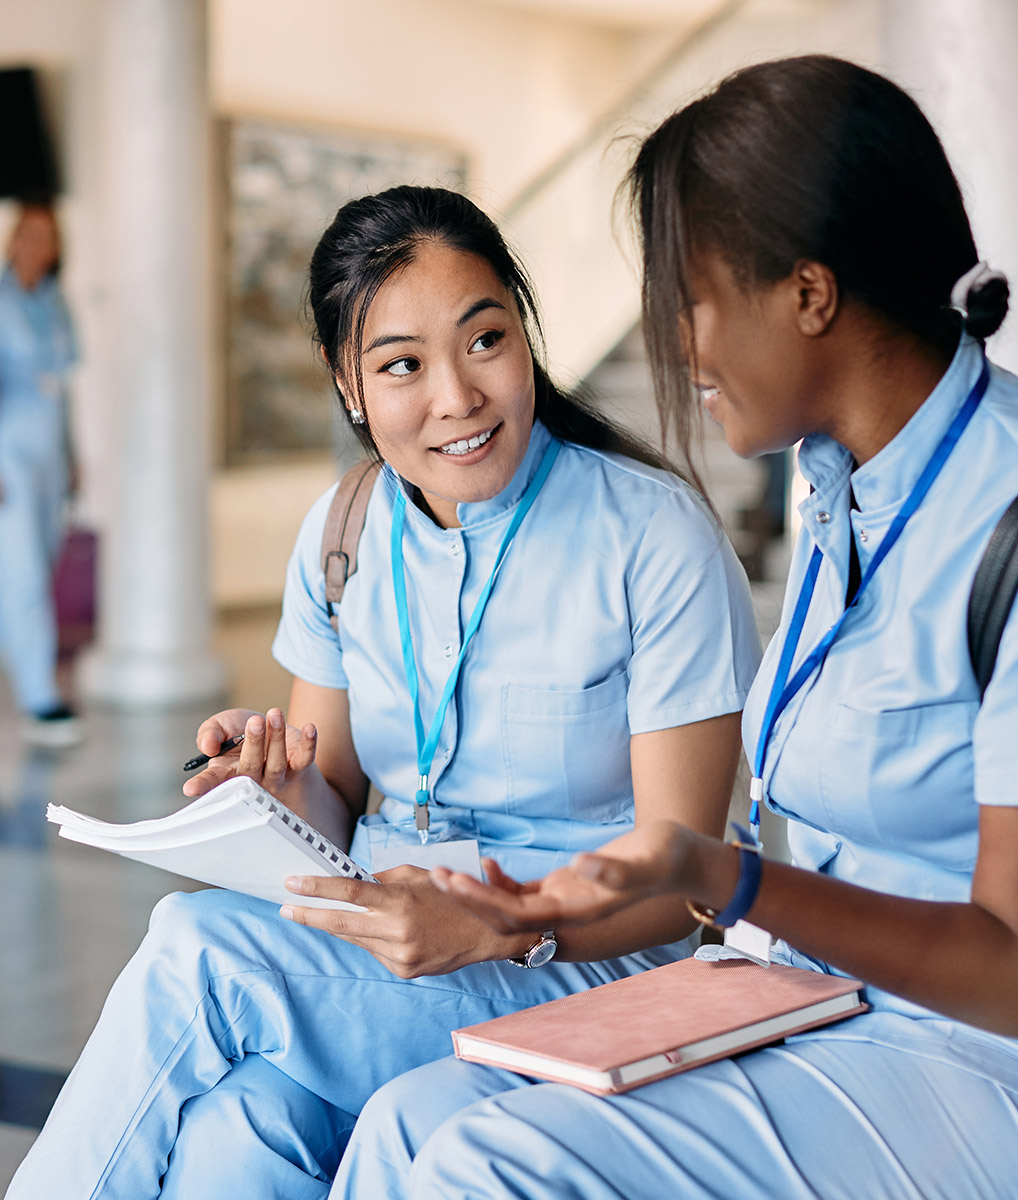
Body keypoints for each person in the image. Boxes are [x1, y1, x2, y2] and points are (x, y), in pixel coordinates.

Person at [327, 57, 1018, 1200]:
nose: (675, 347)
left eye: (689, 300)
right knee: (410, 1121)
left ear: (809, 294)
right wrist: (538, 916)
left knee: (490, 1163)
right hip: (834, 1001)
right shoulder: (843, 492)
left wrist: (728, 880)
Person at [6, 186, 760, 1198]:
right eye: (403, 365)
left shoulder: (655, 539)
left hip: (577, 964)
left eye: (485, 340)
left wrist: (503, 926)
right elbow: (335, 806)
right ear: (349, 384)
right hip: (378, 954)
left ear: (524, 334)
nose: (457, 396)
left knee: (200, 951)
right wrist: (280, 793)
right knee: (237, 1132)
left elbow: (683, 890)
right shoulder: (343, 533)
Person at [0, 202, 81, 746]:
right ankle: (40, 698)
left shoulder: (56, 302)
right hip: (9, 453)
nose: (37, 245)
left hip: (50, 454)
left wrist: (73, 455)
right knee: (23, 571)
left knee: (38, 567)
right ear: (12, 241)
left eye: (47, 236)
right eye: (28, 234)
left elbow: (63, 388)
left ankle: (27, 674)